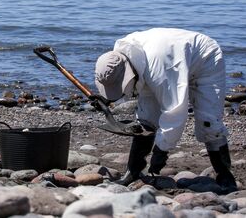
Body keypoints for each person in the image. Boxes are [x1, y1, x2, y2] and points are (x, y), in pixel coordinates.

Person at [93, 28, 237, 194]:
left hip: (204, 59)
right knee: (146, 121)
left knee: (209, 122)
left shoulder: (159, 70)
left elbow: (175, 112)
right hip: (165, 61)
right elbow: (140, 101)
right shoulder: (117, 58)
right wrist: (107, 100)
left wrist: (160, 151)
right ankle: (133, 171)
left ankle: (225, 176)